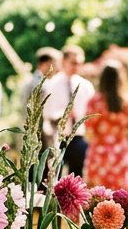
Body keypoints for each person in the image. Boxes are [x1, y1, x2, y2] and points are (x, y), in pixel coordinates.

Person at [83, 61, 128, 190]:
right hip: (120, 154)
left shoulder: (94, 102)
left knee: (96, 198)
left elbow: (88, 134)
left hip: (98, 154)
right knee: (121, 198)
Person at [41, 44, 95, 177]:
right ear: (63, 61)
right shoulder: (51, 84)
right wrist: (63, 116)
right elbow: (46, 113)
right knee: (55, 176)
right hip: (58, 137)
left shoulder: (86, 86)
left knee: (77, 177)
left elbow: (92, 111)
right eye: (73, 63)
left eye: (79, 63)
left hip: (79, 137)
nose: (77, 66)